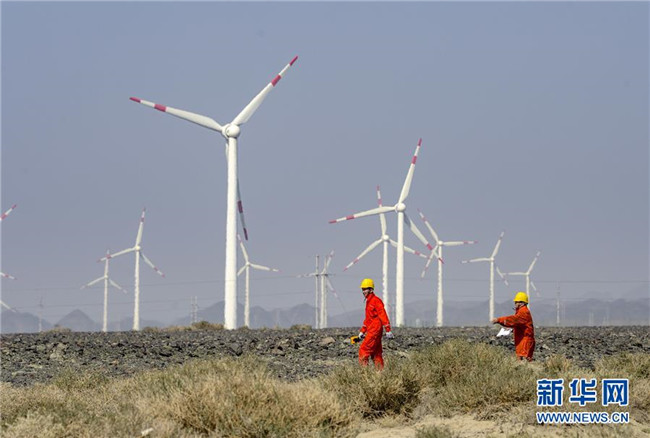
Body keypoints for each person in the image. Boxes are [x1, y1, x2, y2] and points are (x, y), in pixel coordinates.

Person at [357, 278, 393, 369]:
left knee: (363, 350)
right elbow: (368, 319)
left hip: (375, 330)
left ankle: (364, 373)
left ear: (371, 289)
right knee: (376, 353)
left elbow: (382, 314)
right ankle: (380, 373)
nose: (363, 291)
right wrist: (362, 331)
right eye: (362, 289)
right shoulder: (369, 301)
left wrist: (388, 329)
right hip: (372, 330)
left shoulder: (376, 301)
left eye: (365, 289)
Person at [492, 291, 536, 361]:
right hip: (522, 341)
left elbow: (512, 320)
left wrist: (499, 320)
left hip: (525, 342)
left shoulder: (523, 312)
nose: (515, 303)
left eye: (516, 302)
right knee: (522, 361)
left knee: (524, 361)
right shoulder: (521, 312)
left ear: (521, 303)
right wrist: (513, 330)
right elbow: (519, 324)